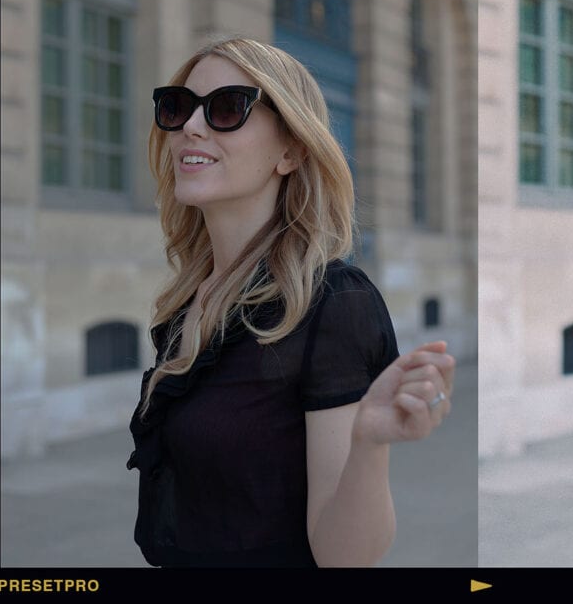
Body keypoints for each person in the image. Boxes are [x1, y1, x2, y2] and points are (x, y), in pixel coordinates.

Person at [126, 37, 455, 568]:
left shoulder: (334, 305)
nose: (190, 125)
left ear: (292, 150)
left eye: (228, 108)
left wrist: (369, 445)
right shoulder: (187, 299)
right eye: (178, 106)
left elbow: (345, 558)